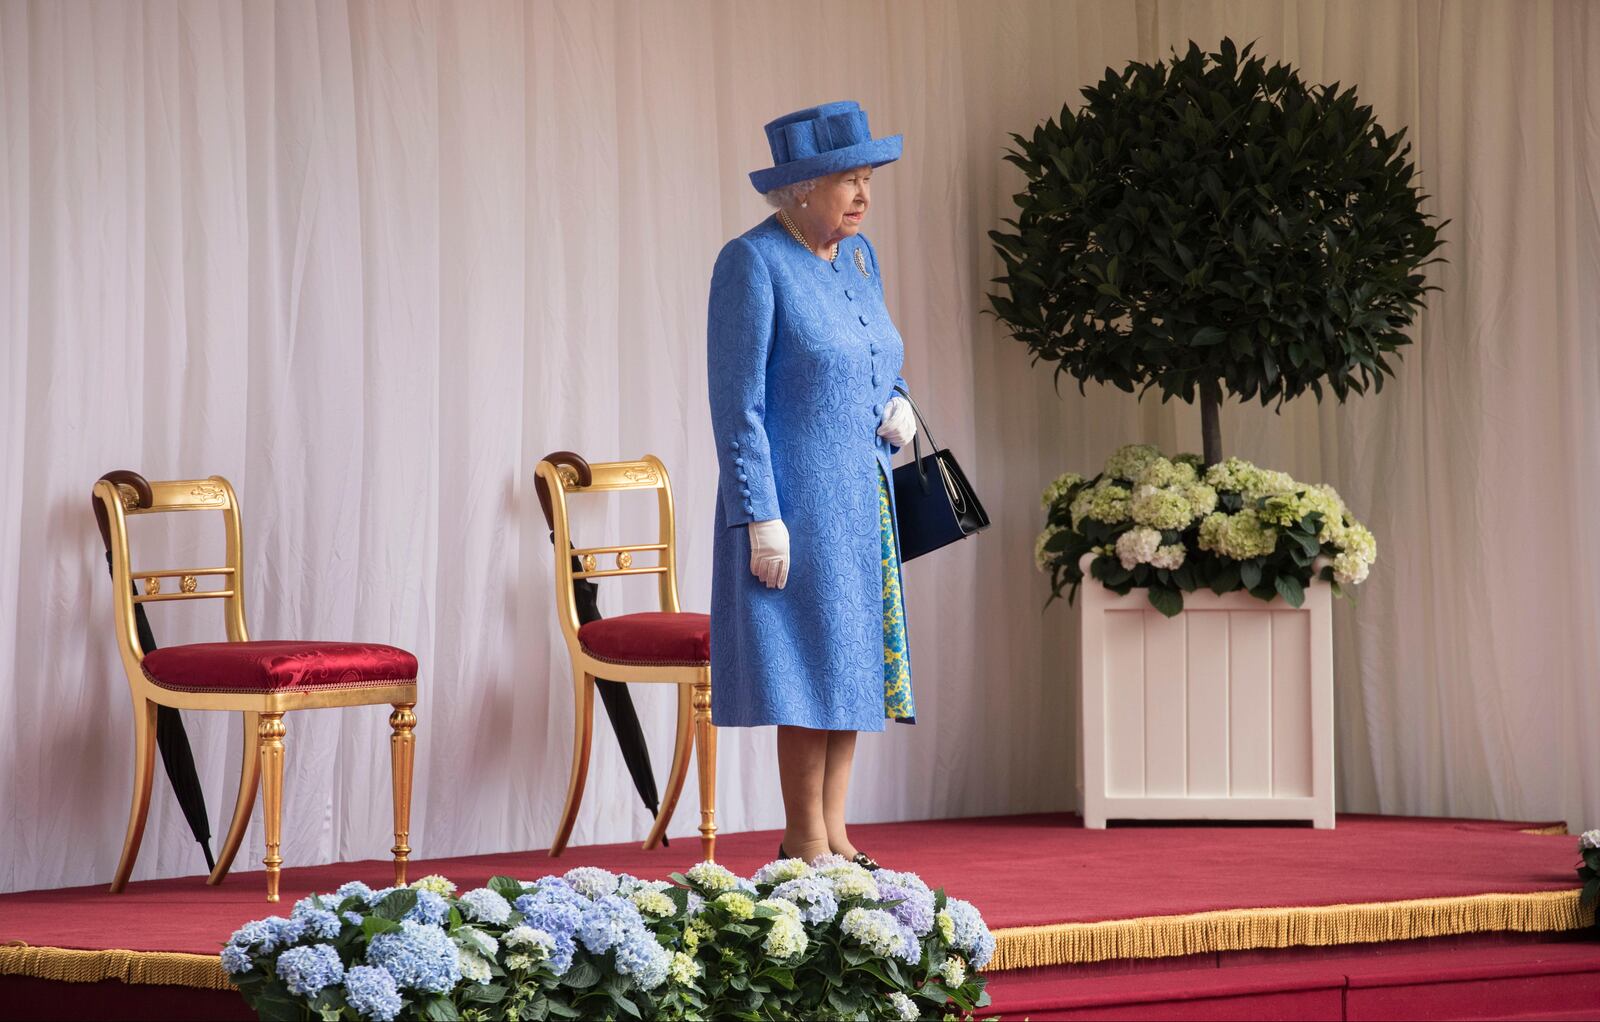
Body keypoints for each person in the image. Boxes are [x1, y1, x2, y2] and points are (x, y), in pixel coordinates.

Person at [706, 101, 917, 867]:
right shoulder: (753, 263)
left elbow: (877, 358)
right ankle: (804, 840)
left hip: (865, 500)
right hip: (796, 504)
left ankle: (838, 833)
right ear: (798, 190)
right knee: (806, 664)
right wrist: (760, 515)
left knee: (852, 659)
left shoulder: (860, 260)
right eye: (846, 182)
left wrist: (900, 405)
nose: (862, 197)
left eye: (866, 181)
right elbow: (737, 404)